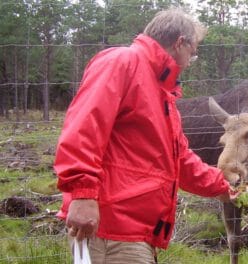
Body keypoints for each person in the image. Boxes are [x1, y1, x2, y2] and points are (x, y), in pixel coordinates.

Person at [54, 7, 237, 263]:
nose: (189, 62)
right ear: (179, 43)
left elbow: (178, 159)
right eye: (192, 54)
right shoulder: (121, 62)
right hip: (110, 227)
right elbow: (84, 128)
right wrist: (83, 194)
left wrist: (220, 185)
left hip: (135, 229)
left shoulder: (162, 92)